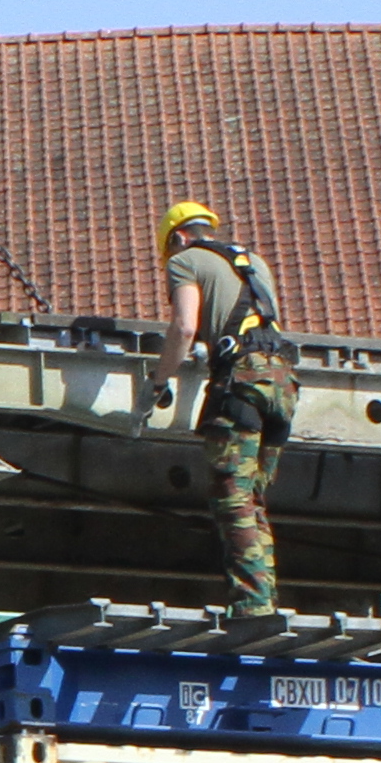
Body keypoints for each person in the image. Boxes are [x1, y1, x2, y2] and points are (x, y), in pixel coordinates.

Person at [149, 199, 292, 620]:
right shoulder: (255, 262)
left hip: (242, 384)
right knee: (253, 498)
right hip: (282, 383)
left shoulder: (186, 259)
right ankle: (263, 599)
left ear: (177, 237)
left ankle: (252, 606)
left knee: (233, 498)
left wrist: (158, 383)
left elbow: (184, 327)